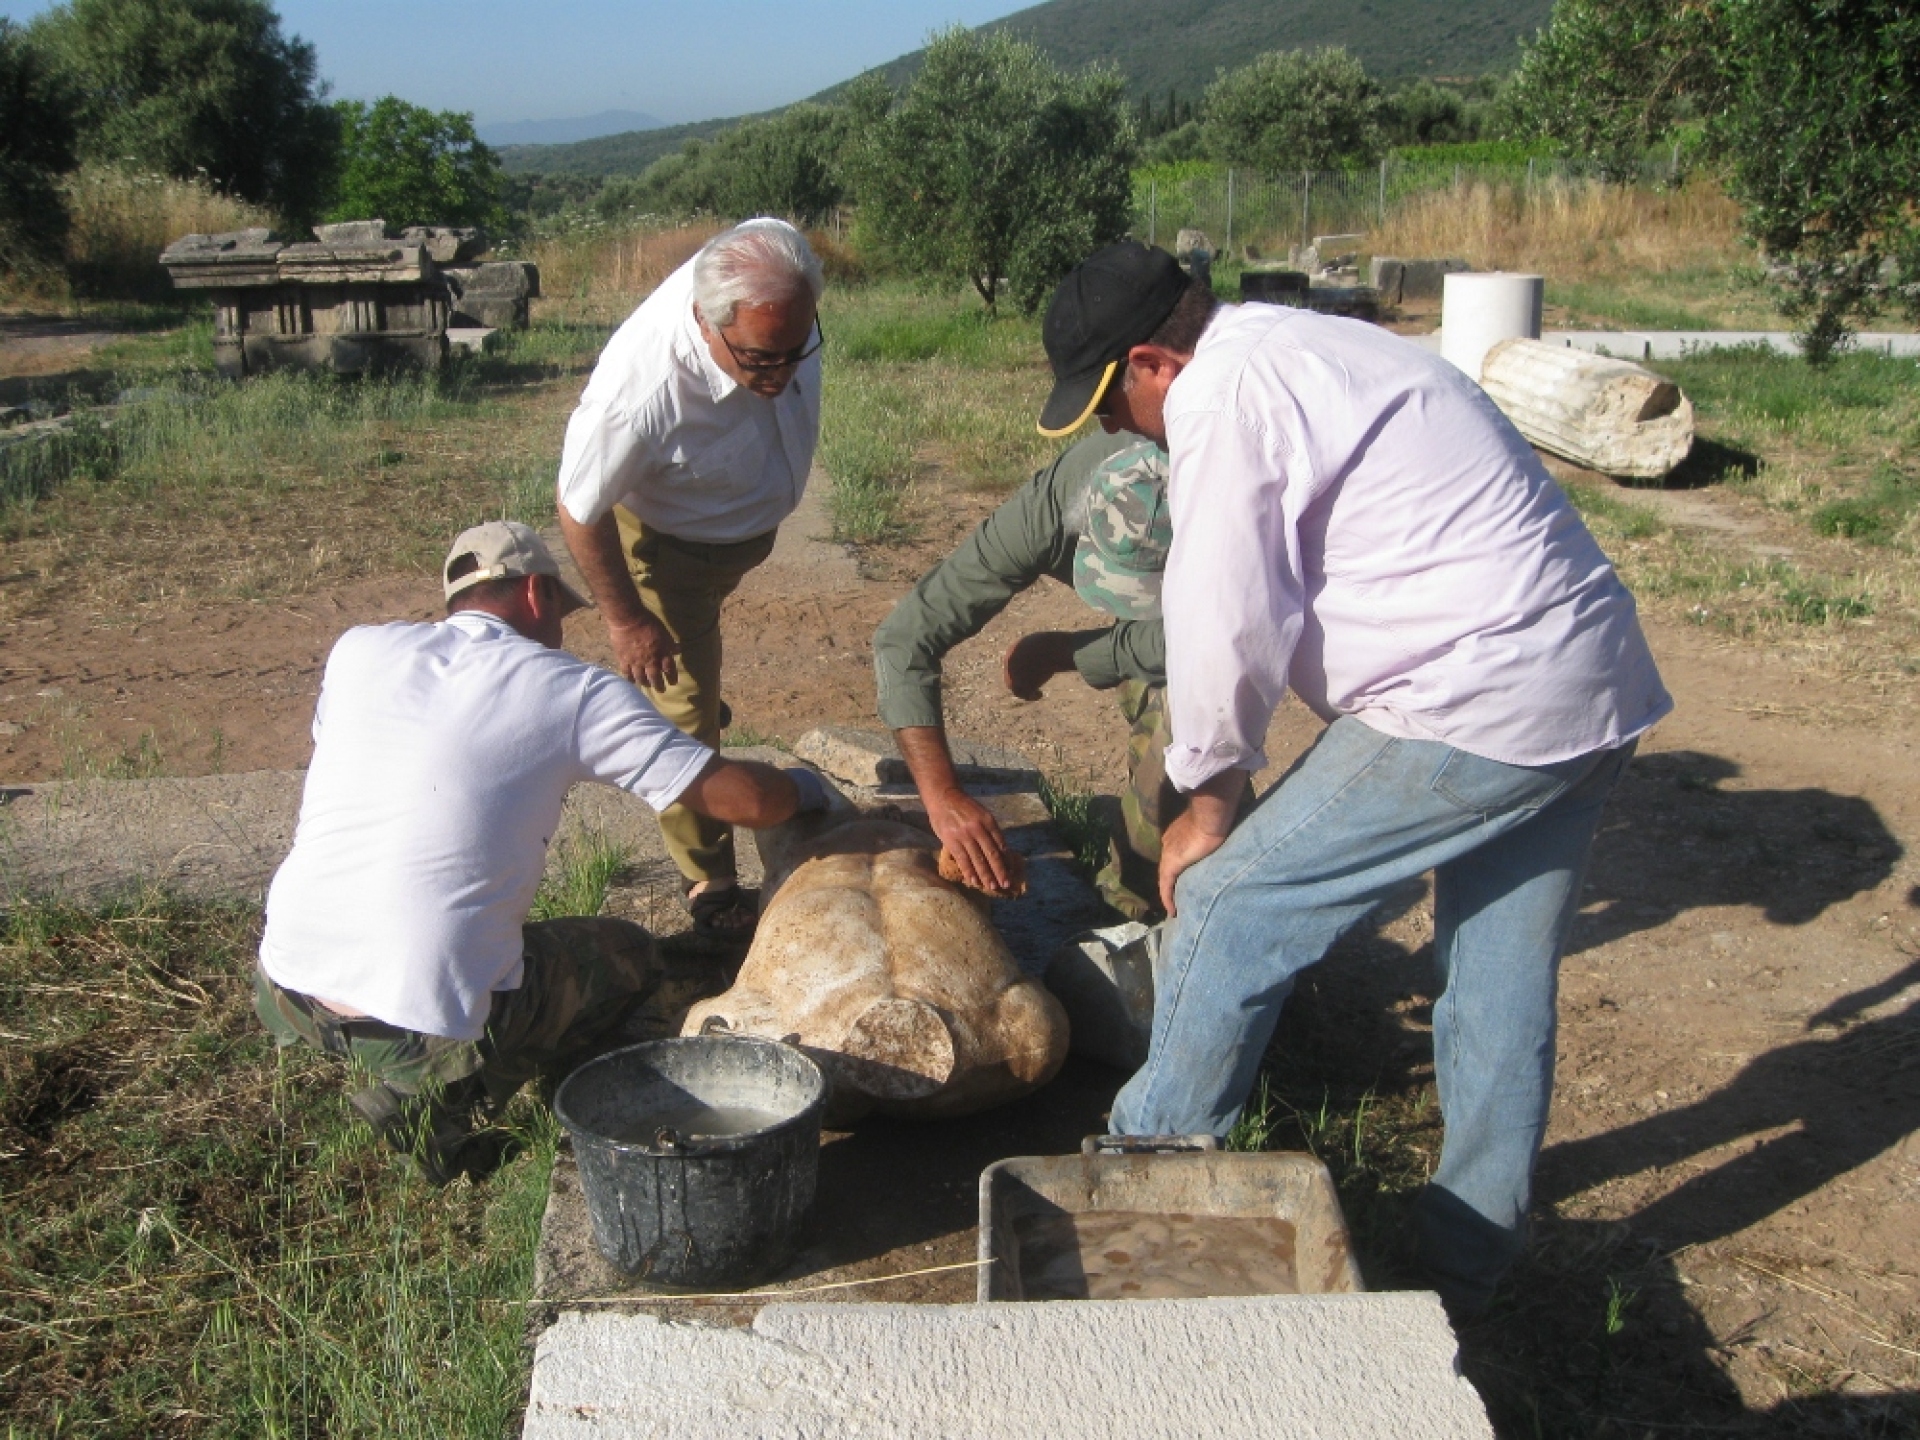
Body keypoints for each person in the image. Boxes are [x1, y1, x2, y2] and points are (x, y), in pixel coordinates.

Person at [1037, 242, 1673, 1317]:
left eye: (1108, 402)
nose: (1111, 429)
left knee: (1235, 904)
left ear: (1153, 362)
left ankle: (1131, 1216)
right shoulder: (1314, 346)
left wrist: (1210, 803)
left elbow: (1226, 616)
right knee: (1498, 989)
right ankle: (1461, 1283)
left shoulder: (1225, 398)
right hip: (1586, 681)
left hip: (1474, 699)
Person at [254, 520, 829, 1184]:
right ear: (535, 594)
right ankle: (444, 1090)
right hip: (418, 1005)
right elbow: (741, 801)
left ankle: (356, 1038)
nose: (561, 627)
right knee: (630, 955)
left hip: (286, 979)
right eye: (561, 606)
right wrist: (807, 790)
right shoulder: (569, 689)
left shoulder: (359, 651)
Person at [555, 218, 825, 937]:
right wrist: (627, 621)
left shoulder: (774, 271)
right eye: (763, 360)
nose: (785, 374)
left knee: (696, 685)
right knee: (680, 718)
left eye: (799, 349)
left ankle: (699, 703)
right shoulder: (641, 391)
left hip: (733, 537)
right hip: (670, 554)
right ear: (709, 325)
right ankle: (708, 879)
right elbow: (579, 509)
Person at [875, 430, 1183, 920]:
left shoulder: (1253, 501)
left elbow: (1205, 646)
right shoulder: (1052, 507)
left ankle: (1152, 908)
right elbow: (906, 638)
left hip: (1258, 614)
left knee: (1188, 727)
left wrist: (1071, 652)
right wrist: (943, 798)